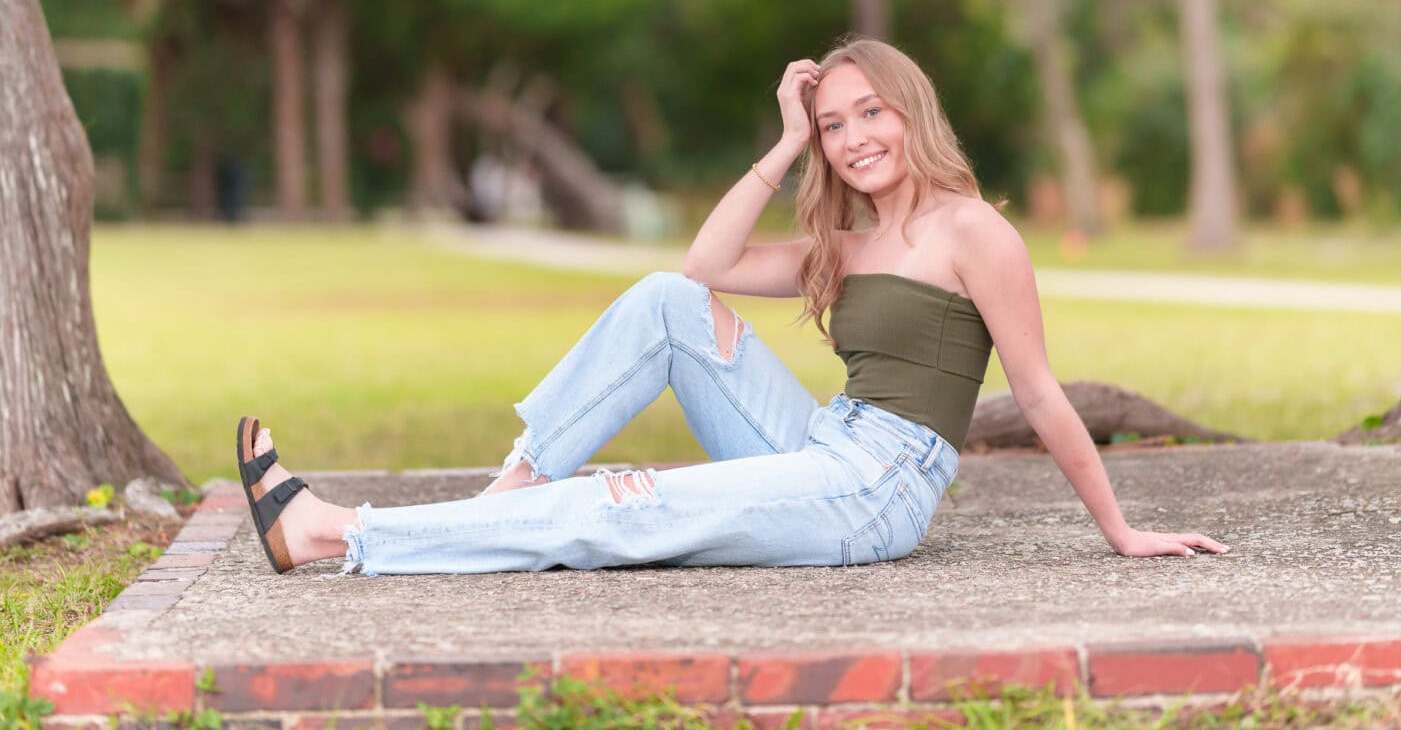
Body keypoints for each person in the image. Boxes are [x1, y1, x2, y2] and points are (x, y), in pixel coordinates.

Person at [235, 39, 1229, 575]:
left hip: (879, 487)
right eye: (834, 125)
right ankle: (510, 496)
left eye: (868, 113)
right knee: (666, 301)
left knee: (621, 510)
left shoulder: (975, 231)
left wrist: (1122, 531)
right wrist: (785, 139)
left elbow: (1043, 393)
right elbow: (701, 265)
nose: (852, 139)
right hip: (821, 441)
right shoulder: (844, 241)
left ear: (910, 111)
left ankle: (333, 533)